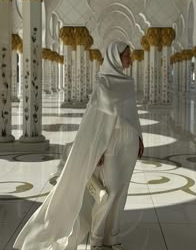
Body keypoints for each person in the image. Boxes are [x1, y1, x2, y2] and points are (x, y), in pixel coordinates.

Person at [14, 41, 144, 250]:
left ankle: (113, 237)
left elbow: (132, 114)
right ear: (115, 57)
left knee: (121, 192)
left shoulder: (128, 82)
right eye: (127, 55)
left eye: (129, 55)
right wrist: (96, 148)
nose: (130, 58)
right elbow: (93, 120)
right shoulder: (103, 83)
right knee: (108, 194)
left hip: (128, 145)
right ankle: (96, 239)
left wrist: (139, 138)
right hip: (109, 145)